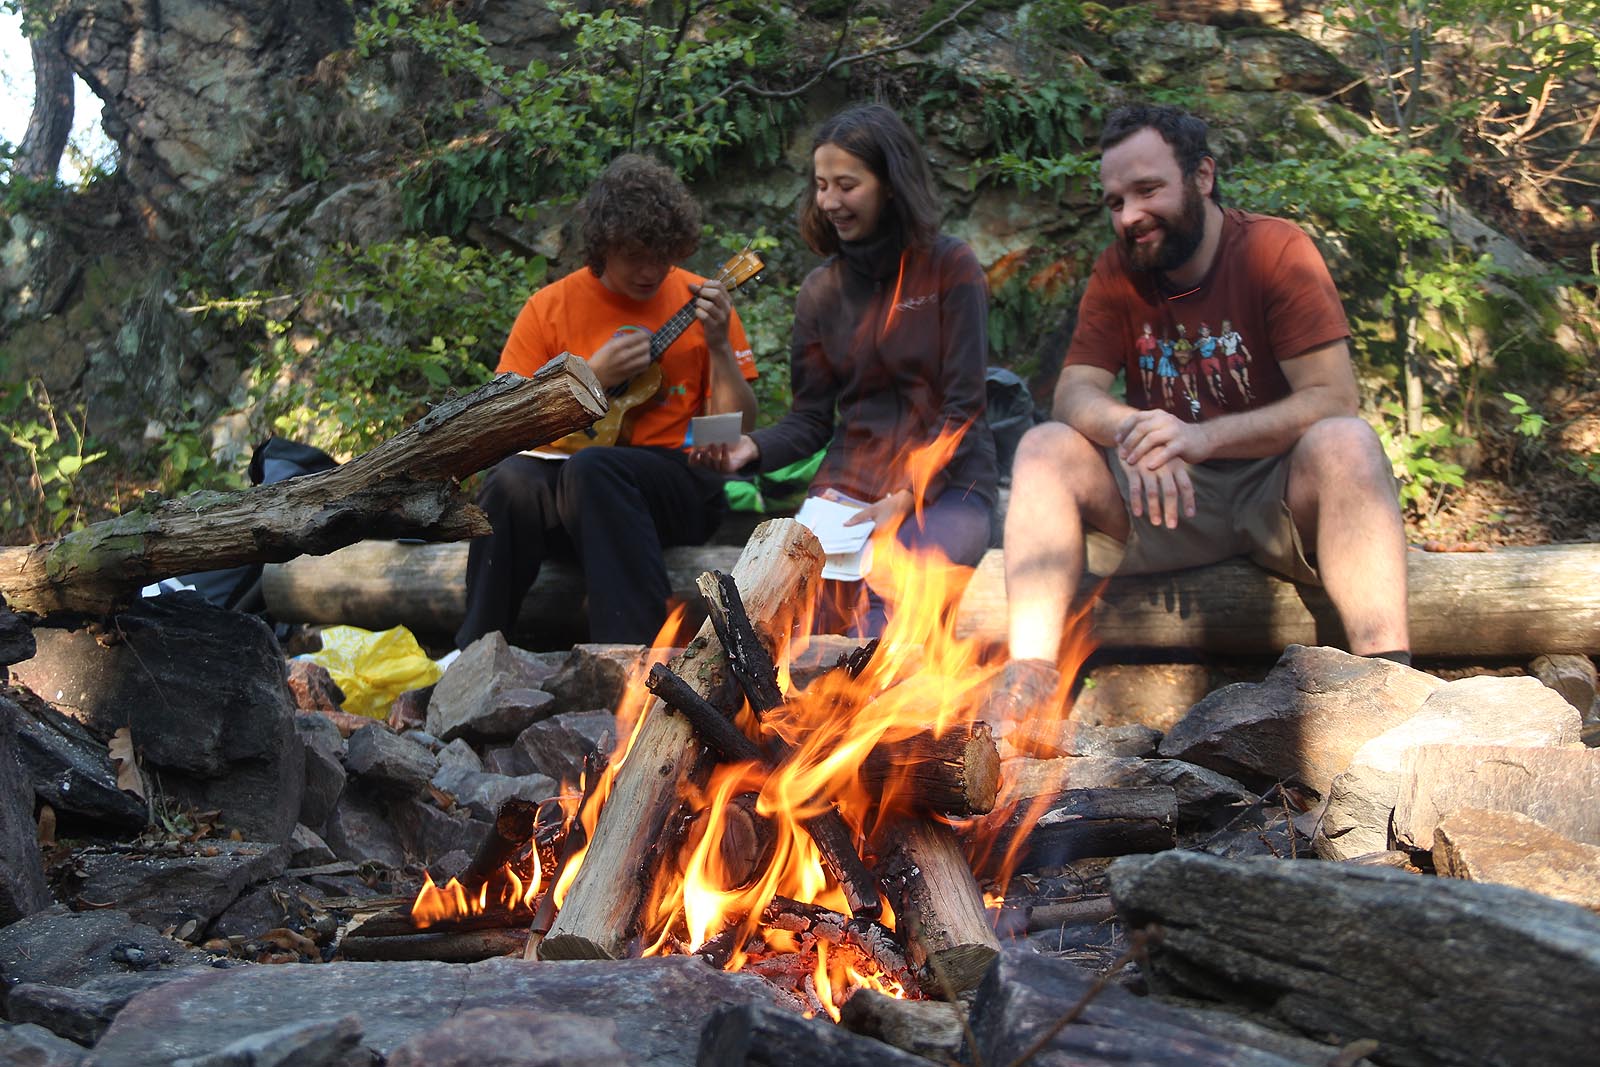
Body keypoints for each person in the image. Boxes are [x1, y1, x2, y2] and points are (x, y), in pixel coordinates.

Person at [997, 104, 1409, 699]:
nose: (1129, 216)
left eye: (1147, 190)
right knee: (1043, 446)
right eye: (1115, 202)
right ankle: (1027, 688)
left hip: (1277, 495)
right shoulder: (1117, 270)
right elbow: (1073, 392)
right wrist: (1136, 429)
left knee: (1348, 441)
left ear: (1203, 176)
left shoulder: (1274, 250)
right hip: (1164, 500)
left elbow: (1334, 397)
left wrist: (1202, 437)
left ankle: (1393, 683)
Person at [697, 103, 997, 637]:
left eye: (846, 185)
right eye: (821, 185)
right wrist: (750, 449)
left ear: (891, 185)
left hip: (949, 485)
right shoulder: (822, 291)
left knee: (889, 600)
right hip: (847, 489)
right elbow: (811, 419)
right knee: (783, 614)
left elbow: (963, 408)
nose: (829, 201)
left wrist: (904, 496)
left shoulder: (951, 267)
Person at [456, 153, 758, 649]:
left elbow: (733, 429)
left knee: (595, 469)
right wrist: (591, 376)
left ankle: (631, 658)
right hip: (571, 485)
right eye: (635, 255)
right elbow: (501, 423)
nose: (651, 270)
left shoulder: (701, 302)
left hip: (673, 486)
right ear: (602, 246)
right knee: (511, 481)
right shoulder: (550, 307)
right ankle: (473, 651)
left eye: (663, 256)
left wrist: (720, 346)